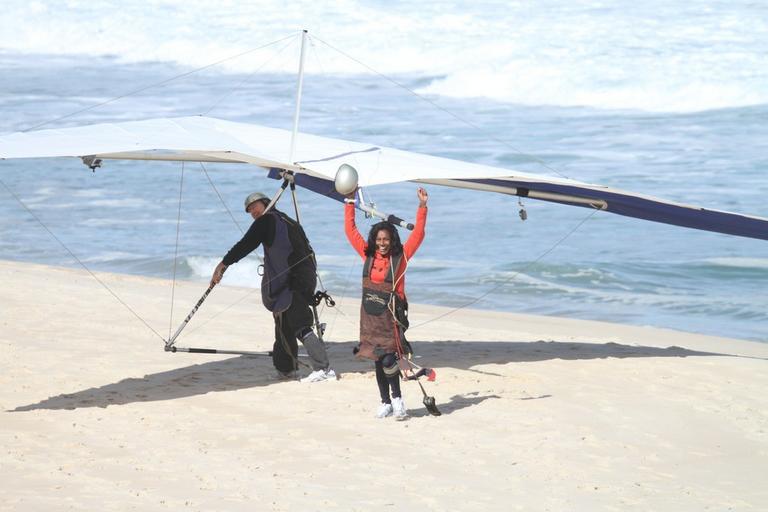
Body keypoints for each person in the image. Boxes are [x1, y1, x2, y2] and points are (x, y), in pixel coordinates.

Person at [210, 192, 335, 383]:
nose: (252, 212)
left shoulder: (267, 220)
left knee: (300, 324)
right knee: (283, 325)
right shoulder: (288, 220)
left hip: (294, 281)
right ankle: (286, 370)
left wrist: (223, 264)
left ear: (267, 203)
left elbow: (245, 244)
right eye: (249, 211)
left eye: (254, 207)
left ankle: (324, 369)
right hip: (301, 279)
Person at [345, 187, 428, 419]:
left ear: (392, 241)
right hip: (371, 318)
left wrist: (422, 207)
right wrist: (349, 201)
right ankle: (385, 402)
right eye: (379, 239)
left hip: (392, 317)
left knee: (390, 359)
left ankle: (398, 399)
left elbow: (418, 234)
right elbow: (350, 231)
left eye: (386, 240)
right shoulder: (368, 256)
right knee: (378, 359)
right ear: (375, 240)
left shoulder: (400, 258)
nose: (382, 243)